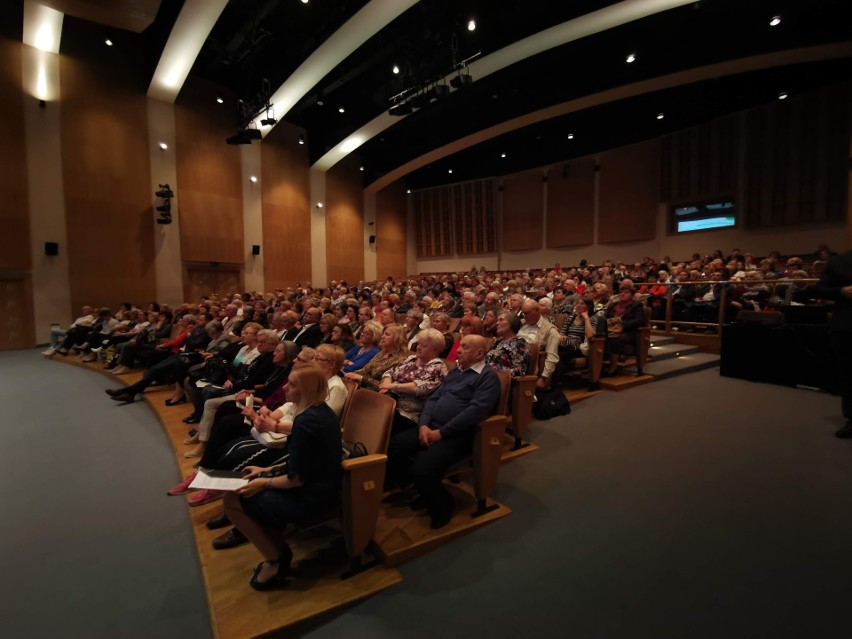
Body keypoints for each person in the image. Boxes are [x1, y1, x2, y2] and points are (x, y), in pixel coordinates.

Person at [222, 364, 342, 590]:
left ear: (305, 390)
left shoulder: (306, 421)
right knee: (245, 486)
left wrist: (263, 482)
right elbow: (304, 461)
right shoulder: (319, 412)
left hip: (312, 498)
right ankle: (276, 552)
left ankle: (276, 560)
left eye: (292, 384)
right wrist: (265, 471)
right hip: (318, 487)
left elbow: (296, 479)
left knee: (233, 499)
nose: (285, 388)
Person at [387, 335, 501, 529]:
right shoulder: (456, 372)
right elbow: (433, 399)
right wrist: (423, 425)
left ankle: (443, 505)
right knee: (394, 446)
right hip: (432, 427)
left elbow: (475, 412)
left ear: (479, 353)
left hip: (459, 435)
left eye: (464, 347)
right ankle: (423, 489)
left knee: (422, 469)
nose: (458, 350)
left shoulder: (487, 377)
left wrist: (441, 433)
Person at [378, 328, 448, 435]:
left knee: (376, 417)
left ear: (435, 350)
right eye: (419, 344)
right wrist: (386, 384)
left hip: (406, 413)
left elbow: (418, 388)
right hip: (389, 402)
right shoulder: (411, 359)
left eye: (424, 346)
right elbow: (389, 372)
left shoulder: (438, 368)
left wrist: (392, 386)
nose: (419, 347)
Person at [816, 250, 852, 438]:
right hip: (846, 324)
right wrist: (842, 291)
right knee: (848, 374)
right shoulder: (838, 262)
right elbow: (820, 289)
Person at [344, 324, 409, 390]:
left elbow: (384, 385)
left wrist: (360, 378)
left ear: (397, 338)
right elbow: (365, 370)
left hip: (375, 392)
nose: (382, 337)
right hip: (362, 386)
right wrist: (351, 374)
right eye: (383, 334)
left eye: (387, 334)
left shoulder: (401, 360)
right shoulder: (382, 353)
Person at [518, 299, 560, 389]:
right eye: (523, 313)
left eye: (527, 313)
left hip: (525, 366)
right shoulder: (521, 323)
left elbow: (552, 357)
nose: (524, 316)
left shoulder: (550, 330)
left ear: (537, 311)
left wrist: (544, 378)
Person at [485, 311, 530, 378]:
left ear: (512, 323)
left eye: (501, 320)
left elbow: (520, 370)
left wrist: (494, 372)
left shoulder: (520, 343)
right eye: (497, 320)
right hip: (486, 376)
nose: (497, 323)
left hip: (499, 381)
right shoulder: (498, 341)